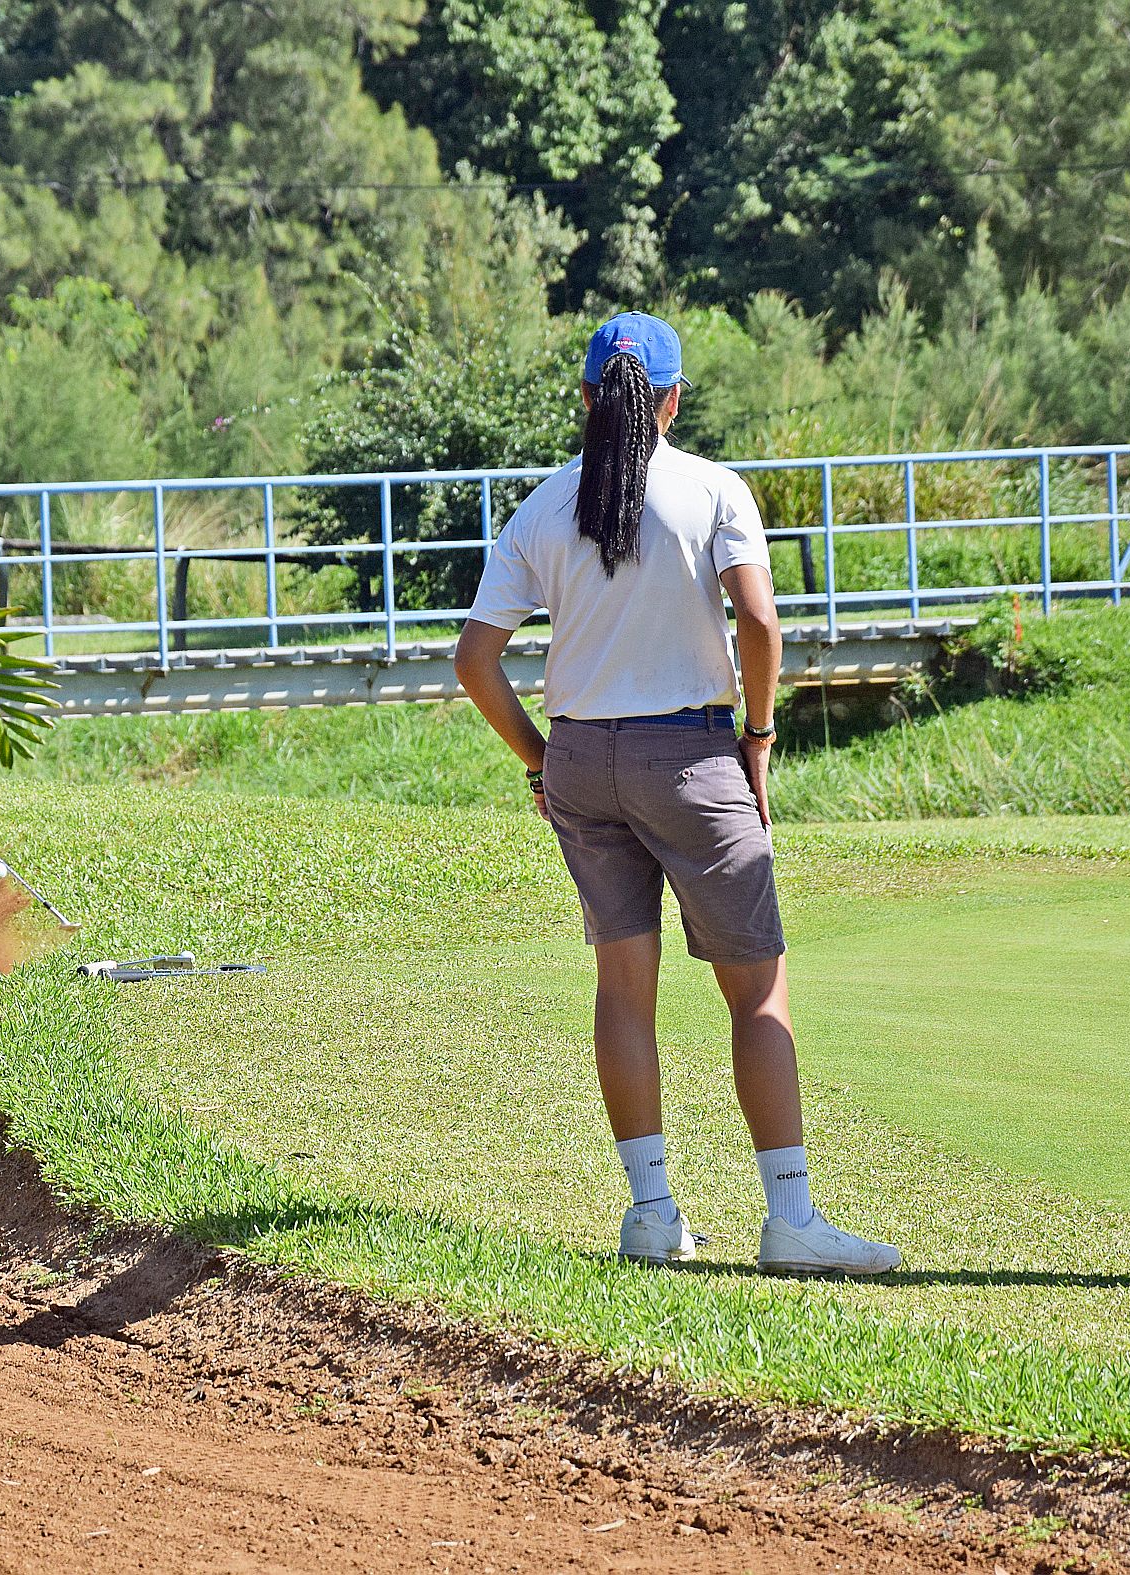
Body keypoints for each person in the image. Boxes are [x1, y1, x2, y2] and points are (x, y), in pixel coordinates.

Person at [453, 312, 901, 1277]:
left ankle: (653, 1215)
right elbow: (761, 624)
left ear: (583, 397)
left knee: (623, 988)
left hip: (580, 761)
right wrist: (760, 740)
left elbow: (475, 659)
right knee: (757, 985)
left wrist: (538, 758)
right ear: (673, 397)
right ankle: (790, 1220)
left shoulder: (540, 507)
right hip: (691, 759)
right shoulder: (713, 490)